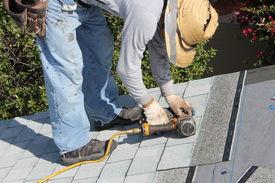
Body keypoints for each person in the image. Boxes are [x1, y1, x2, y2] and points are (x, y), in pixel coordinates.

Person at [34, 0, 142, 165]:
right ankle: (72, 145)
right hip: (56, 6)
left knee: (100, 52)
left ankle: (105, 113)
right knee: (66, 72)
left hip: (88, 5)